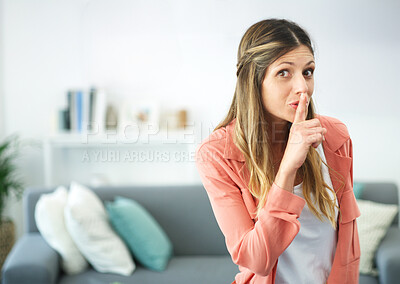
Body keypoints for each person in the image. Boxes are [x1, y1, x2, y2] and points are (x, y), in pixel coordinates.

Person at [195, 19, 360, 284]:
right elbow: (256, 260)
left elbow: (349, 245)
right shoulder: (215, 154)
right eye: (284, 72)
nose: (302, 87)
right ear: (253, 79)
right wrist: (286, 169)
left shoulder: (335, 136)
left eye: (308, 71)